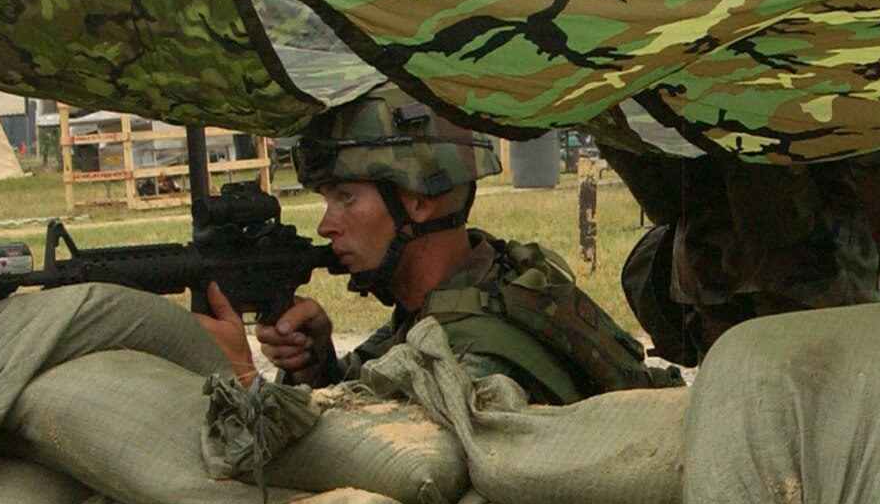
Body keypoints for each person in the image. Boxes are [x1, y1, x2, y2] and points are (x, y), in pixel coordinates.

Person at [197, 81, 675, 401]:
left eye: (346, 198)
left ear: (421, 199)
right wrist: (317, 364)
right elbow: (366, 392)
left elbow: (371, 471)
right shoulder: (476, 285)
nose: (326, 225)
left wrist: (241, 374)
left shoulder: (469, 356)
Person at [597, 130, 880, 365]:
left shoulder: (687, 10)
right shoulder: (817, 10)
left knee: (735, 434)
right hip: (820, 283)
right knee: (819, 451)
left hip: (711, 274)